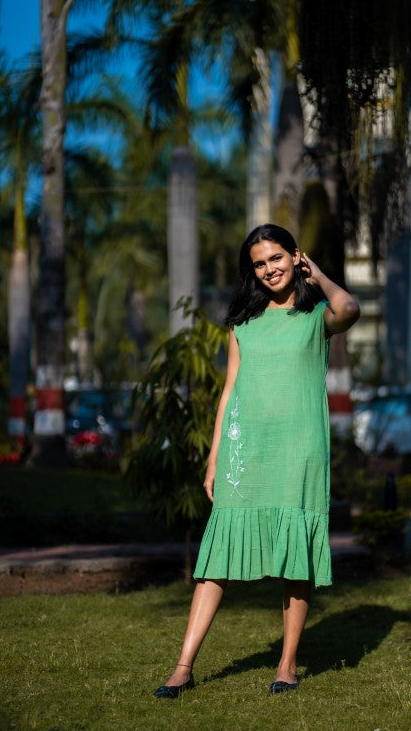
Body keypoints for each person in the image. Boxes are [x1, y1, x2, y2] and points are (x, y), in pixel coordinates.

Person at [154, 223, 360, 699]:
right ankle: (183, 666)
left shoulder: (316, 317)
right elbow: (229, 393)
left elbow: (350, 308)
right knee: (215, 559)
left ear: (295, 257)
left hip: (298, 450)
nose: (269, 269)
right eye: (259, 263)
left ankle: (287, 665)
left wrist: (319, 274)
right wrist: (213, 458)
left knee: (294, 559)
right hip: (246, 450)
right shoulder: (242, 323)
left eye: (277, 258)